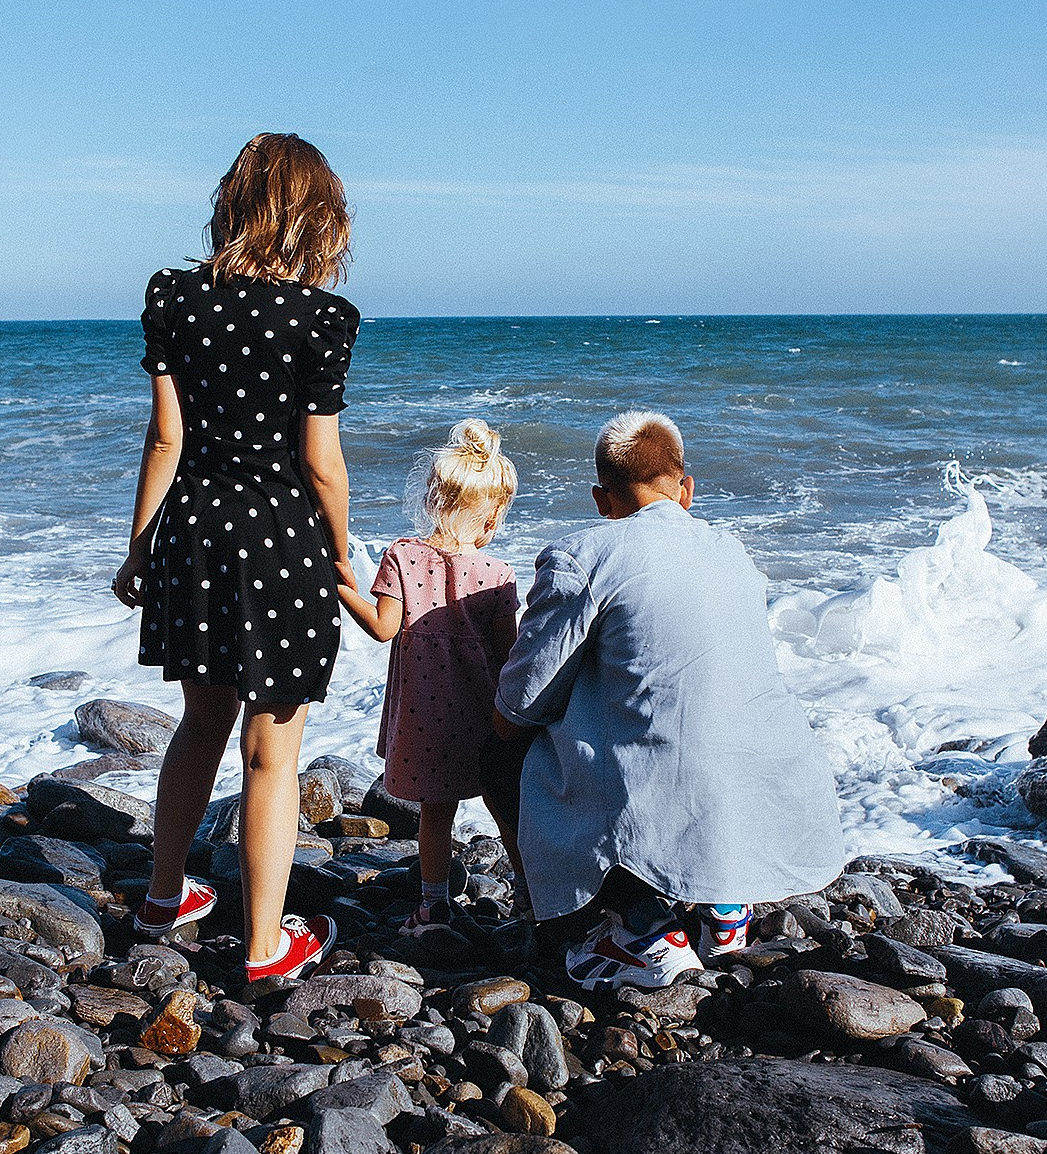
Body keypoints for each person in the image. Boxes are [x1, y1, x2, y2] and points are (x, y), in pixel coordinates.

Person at [112, 132, 358, 982]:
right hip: (280, 539)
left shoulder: (174, 295)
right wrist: (341, 552)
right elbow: (321, 459)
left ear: (234, 205)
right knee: (271, 751)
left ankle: (163, 892)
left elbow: (165, 436)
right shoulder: (322, 319)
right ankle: (263, 946)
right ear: (316, 219)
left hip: (193, 534)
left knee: (201, 720)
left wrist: (137, 545)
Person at [491, 411, 845, 990]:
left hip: (668, 779)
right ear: (687, 489)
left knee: (499, 754)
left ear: (602, 499)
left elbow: (525, 696)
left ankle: (642, 931)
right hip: (768, 776)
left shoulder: (586, 554)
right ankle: (723, 909)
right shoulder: (732, 553)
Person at [335, 419, 521, 933]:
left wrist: (343, 584)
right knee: (503, 805)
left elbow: (381, 628)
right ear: (492, 517)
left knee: (435, 813)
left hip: (423, 717)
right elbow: (510, 654)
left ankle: (433, 904)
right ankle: (529, 900)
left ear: (435, 499)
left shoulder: (401, 555)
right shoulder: (498, 574)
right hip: (481, 714)